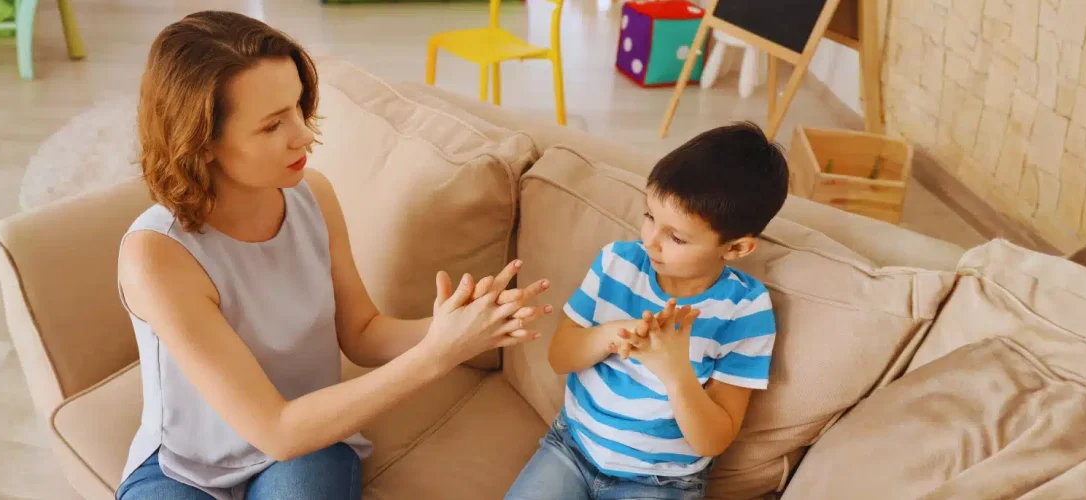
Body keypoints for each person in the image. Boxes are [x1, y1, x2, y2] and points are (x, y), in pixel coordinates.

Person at [114, 11, 552, 500]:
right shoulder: (157, 255)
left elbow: (362, 332)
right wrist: (435, 356)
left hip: (312, 435)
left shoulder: (313, 197)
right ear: (204, 142)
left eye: (299, 106)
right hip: (184, 464)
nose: (303, 134)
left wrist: (453, 326)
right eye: (272, 125)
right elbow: (274, 430)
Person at [505, 122, 788, 500]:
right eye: (649, 216)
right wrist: (612, 334)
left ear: (735, 249)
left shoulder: (745, 311)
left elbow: (714, 440)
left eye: (676, 237)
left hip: (662, 482)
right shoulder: (616, 264)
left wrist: (676, 373)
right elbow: (560, 357)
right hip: (570, 449)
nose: (649, 240)